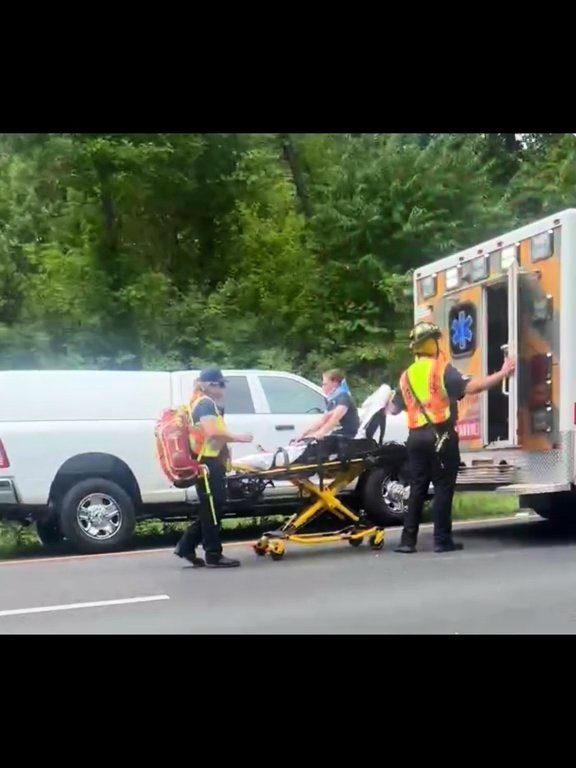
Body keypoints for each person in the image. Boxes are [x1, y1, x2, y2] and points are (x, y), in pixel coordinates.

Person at [387, 322, 516, 554]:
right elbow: (473, 387)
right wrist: (503, 373)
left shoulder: (405, 376)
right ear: (431, 344)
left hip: (415, 438)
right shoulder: (441, 369)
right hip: (440, 436)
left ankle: (407, 541)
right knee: (443, 487)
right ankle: (442, 540)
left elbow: (393, 409)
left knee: (417, 488)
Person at [174, 367, 253, 569]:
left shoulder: (200, 402)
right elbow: (212, 433)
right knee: (213, 507)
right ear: (210, 385)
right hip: (208, 463)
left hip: (208, 462)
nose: (224, 389)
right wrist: (239, 437)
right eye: (221, 385)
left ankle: (186, 546)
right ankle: (213, 554)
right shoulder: (205, 404)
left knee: (212, 508)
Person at [297, 369, 360, 441]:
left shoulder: (344, 397)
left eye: (325, 384)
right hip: (339, 434)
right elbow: (323, 420)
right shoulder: (333, 399)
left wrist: (320, 433)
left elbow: (334, 419)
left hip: (349, 436)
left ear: (335, 383)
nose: (323, 387)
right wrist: (304, 435)